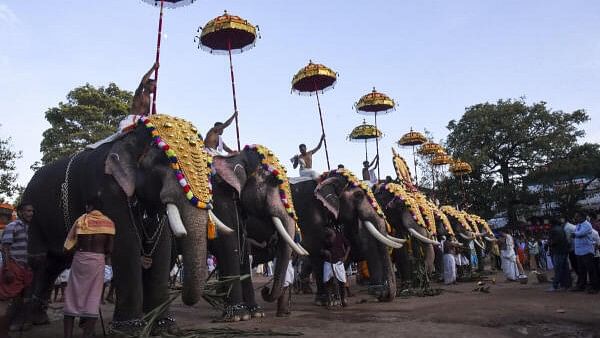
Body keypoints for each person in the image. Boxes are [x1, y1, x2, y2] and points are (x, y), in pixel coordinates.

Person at [63, 198, 115, 338]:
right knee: (93, 296)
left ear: (89, 206)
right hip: (97, 260)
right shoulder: (109, 223)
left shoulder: (81, 220)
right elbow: (109, 249)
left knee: (72, 295)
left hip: (80, 259)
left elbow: (68, 245)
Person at [1, 203, 34, 332]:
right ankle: (3, 331)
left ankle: (15, 324)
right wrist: (7, 269)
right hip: (14, 267)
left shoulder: (30, 228)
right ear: (20, 212)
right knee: (8, 299)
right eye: (28, 211)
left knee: (22, 298)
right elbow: (5, 249)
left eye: (32, 211)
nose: (31, 213)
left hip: (25, 268)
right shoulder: (12, 226)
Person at [570, 212, 600, 293]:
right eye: (575, 217)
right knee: (581, 270)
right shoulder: (578, 225)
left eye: (577, 216)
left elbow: (580, 234)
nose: (575, 218)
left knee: (591, 270)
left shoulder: (587, 225)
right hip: (579, 251)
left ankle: (595, 287)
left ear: (582, 217)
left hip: (587, 251)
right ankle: (581, 286)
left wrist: (574, 234)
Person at [322, 227, 350, 308]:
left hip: (339, 262)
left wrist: (345, 257)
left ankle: (343, 299)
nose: (331, 240)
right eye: (329, 239)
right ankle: (329, 301)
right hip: (328, 262)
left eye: (332, 238)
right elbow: (320, 250)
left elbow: (348, 246)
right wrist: (325, 251)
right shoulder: (324, 238)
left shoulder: (340, 236)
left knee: (342, 281)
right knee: (328, 282)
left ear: (334, 234)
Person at [547, 219, 571, 291]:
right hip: (564, 251)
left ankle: (555, 286)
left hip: (557, 251)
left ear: (552, 223)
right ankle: (566, 284)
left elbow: (554, 241)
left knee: (558, 269)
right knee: (565, 269)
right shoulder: (561, 229)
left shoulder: (554, 230)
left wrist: (549, 243)